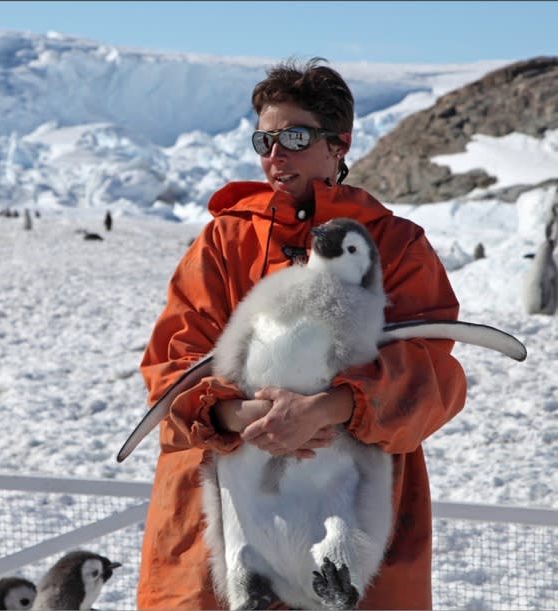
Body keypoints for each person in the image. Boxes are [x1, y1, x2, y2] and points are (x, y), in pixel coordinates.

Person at [137, 57, 467, 610]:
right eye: (263, 140)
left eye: (294, 136)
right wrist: (239, 415)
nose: (275, 154)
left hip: (349, 500)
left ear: (339, 143)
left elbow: (431, 374)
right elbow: (173, 360)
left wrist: (330, 407)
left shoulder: (396, 246)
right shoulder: (225, 239)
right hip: (226, 505)